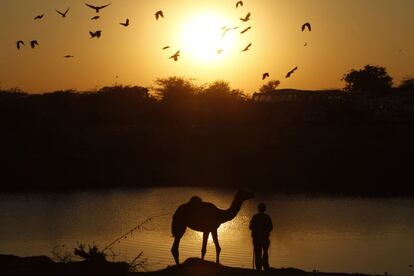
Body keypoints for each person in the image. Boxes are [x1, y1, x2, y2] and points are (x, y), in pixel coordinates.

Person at [249, 203, 273, 271]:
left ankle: (259, 268)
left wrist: (256, 230)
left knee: (258, 253)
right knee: (264, 252)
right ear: (264, 209)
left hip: (258, 239)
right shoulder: (267, 217)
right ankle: (265, 267)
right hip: (263, 238)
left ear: (258, 209)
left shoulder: (255, 217)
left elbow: (250, 227)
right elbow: (271, 227)